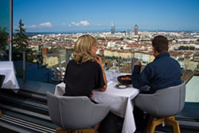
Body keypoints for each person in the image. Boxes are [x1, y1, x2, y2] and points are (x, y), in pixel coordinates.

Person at [132, 35, 182, 131]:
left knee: (134, 98)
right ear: (167, 48)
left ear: (154, 49)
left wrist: (137, 68)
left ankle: (140, 128)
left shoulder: (152, 67)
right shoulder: (176, 64)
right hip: (176, 104)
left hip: (159, 104)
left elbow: (136, 84)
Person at [63, 34, 107, 133]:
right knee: (102, 109)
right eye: (95, 46)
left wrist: (88, 88)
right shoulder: (94, 66)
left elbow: (70, 82)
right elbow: (103, 87)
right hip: (82, 109)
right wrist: (101, 66)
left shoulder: (70, 63)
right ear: (89, 48)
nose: (96, 48)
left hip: (66, 107)